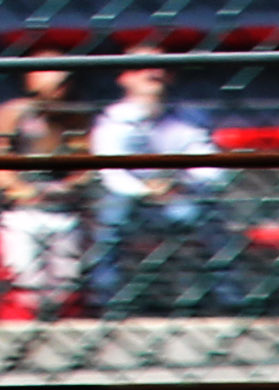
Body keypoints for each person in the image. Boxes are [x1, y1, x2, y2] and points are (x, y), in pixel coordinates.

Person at [88, 65, 231, 314]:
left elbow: (211, 168)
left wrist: (180, 183)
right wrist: (145, 190)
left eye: (159, 67)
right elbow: (111, 172)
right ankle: (106, 299)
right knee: (111, 212)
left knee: (210, 215)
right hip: (131, 203)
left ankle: (228, 297)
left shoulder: (189, 117)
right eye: (142, 67)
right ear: (125, 77)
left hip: (178, 197)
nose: (152, 73)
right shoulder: (112, 119)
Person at [0, 63, 84, 323]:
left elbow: (86, 162)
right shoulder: (15, 113)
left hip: (63, 206)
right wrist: (19, 189)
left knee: (64, 280)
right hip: (21, 209)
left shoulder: (75, 117)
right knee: (25, 277)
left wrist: (67, 187)